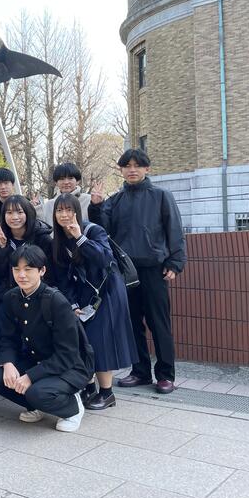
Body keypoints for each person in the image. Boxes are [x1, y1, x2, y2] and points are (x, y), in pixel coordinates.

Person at [89, 148, 186, 394]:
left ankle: (166, 375)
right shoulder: (115, 200)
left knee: (159, 323)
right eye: (127, 166)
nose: (132, 170)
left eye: (137, 165)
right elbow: (102, 230)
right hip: (125, 271)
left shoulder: (161, 196)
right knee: (132, 323)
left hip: (154, 269)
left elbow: (175, 229)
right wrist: (96, 206)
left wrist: (175, 262)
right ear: (121, 170)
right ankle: (140, 371)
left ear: (147, 168)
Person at [0, 245, 89, 432]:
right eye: (16, 269)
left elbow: (67, 354)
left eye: (28, 269)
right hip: (35, 360)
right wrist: (8, 363)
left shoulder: (56, 301)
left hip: (67, 366)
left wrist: (30, 376)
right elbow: (7, 338)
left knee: (37, 392)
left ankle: (72, 407)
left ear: (42, 271)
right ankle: (36, 406)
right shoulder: (11, 298)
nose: (21, 275)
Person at [52, 194, 137, 410]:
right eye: (59, 210)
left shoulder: (93, 230)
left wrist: (80, 238)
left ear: (77, 212)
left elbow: (104, 259)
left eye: (69, 210)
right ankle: (89, 388)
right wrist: (72, 304)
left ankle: (107, 393)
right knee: (83, 341)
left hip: (107, 292)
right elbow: (62, 278)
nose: (64, 215)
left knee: (100, 341)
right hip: (83, 295)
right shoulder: (58, 240)